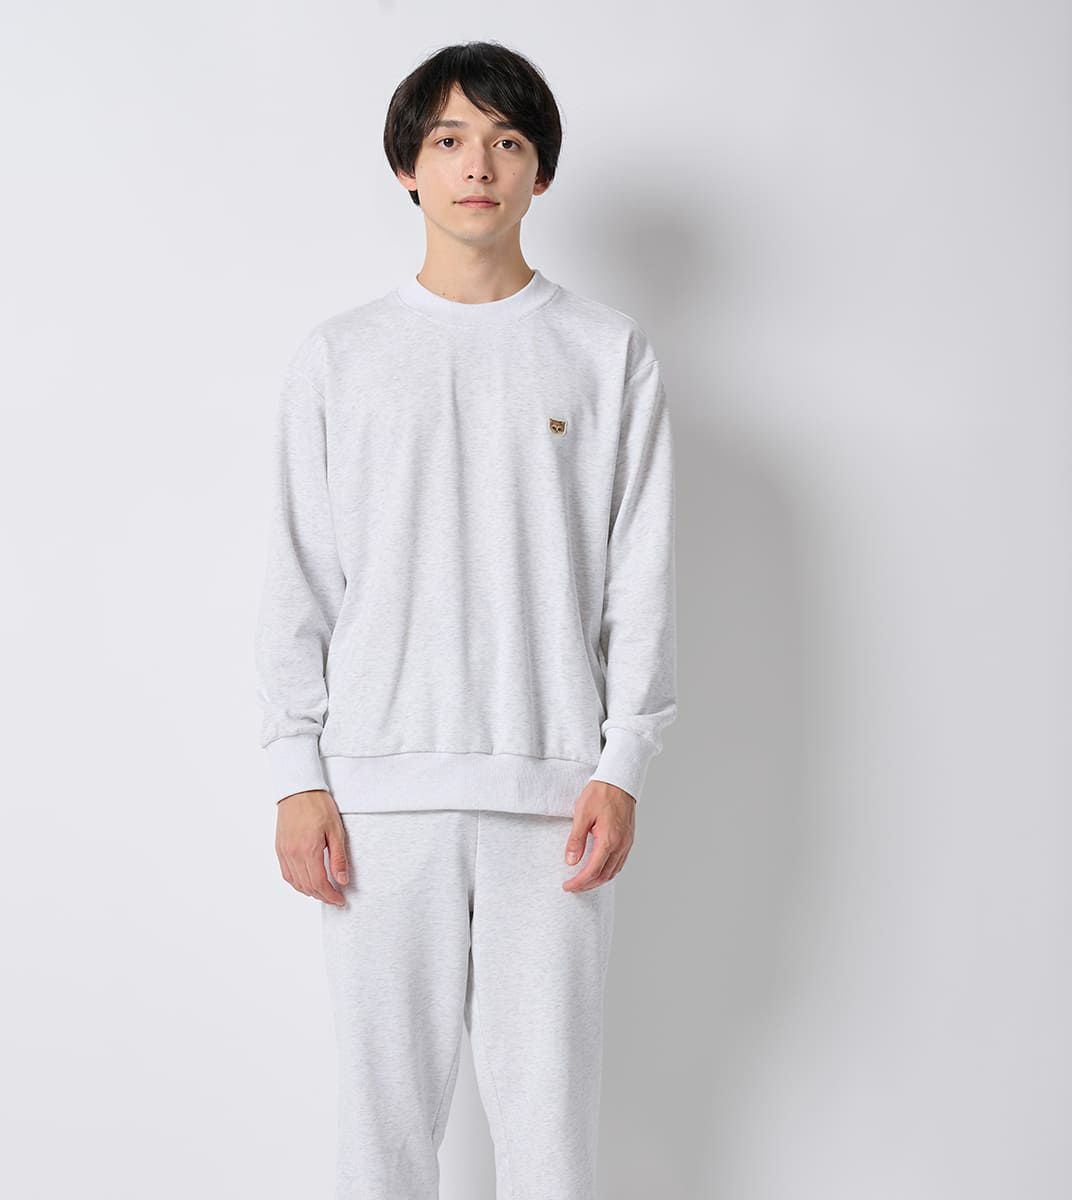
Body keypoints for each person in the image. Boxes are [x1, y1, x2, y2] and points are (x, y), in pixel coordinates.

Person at [254, 40, 677, 1200]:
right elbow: (299, 576)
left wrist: (623, 764)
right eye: (449, 140)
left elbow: (639, 578)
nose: (477, 165)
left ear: (541, 170)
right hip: (378, 802)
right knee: (383, 1133)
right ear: (409, 167)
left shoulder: (606, 354)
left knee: (550, 1137)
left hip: (556, 803)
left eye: (506, 140)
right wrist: (296, 772)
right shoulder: (341, 357)